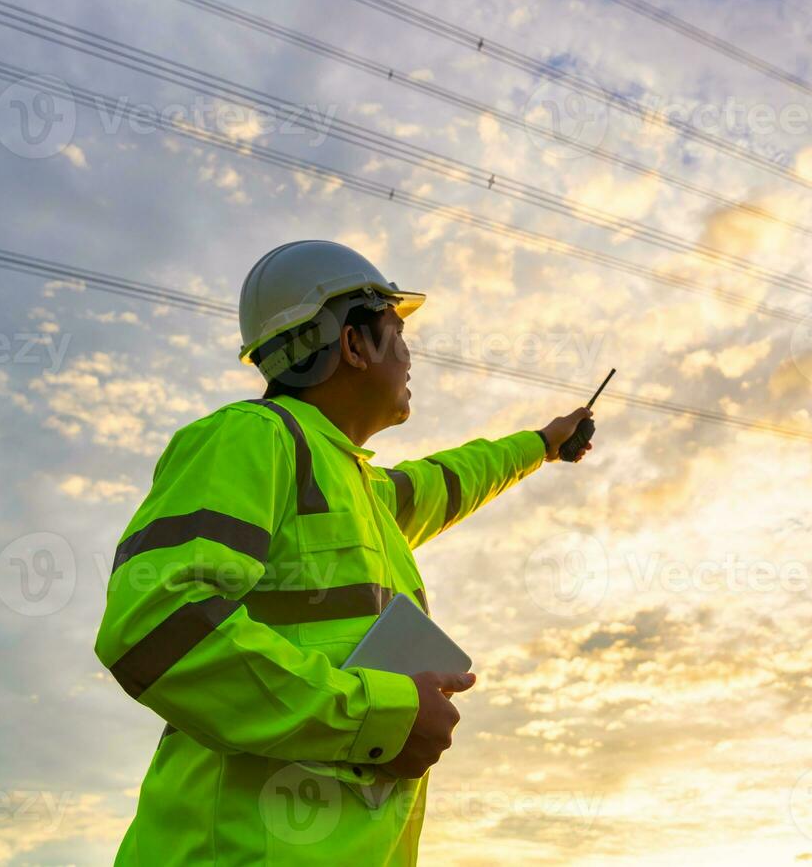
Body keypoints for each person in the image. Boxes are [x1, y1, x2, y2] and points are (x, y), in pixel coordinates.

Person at [94, 239, 596, 864]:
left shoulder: (362, 491)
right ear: (353, 345)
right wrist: (379, 719)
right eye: (396, 330)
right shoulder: (253, 437)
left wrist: (541, 444)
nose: (410, 353)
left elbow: (452, 478)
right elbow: (153, 623)